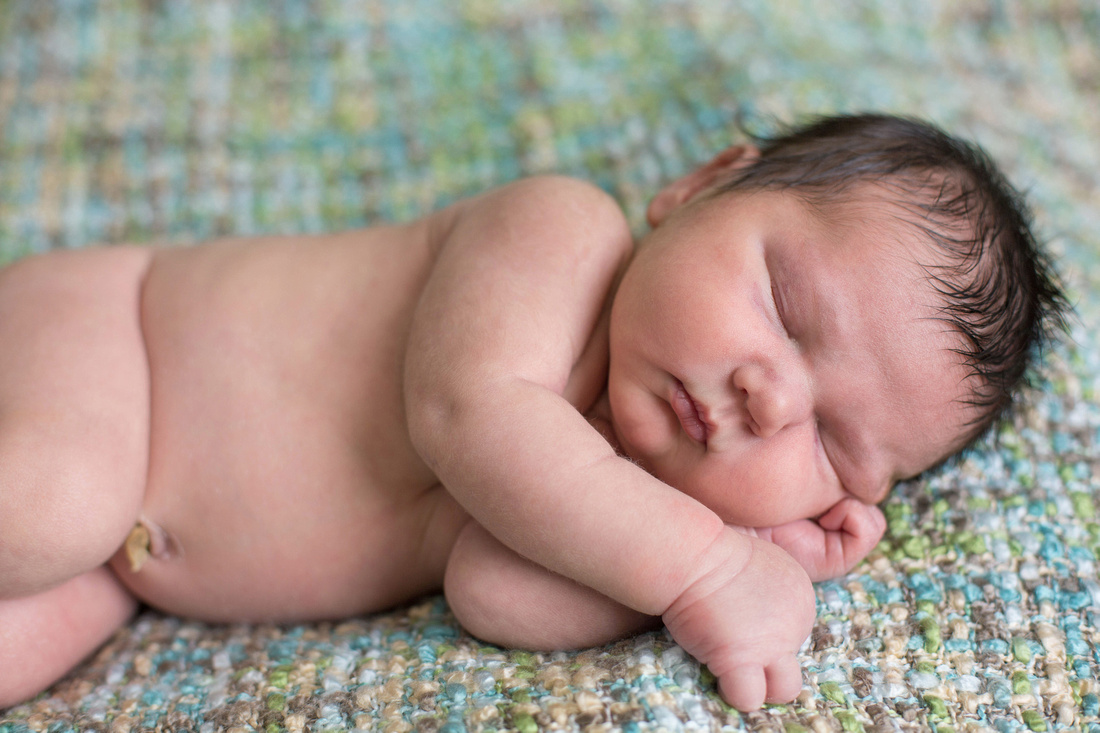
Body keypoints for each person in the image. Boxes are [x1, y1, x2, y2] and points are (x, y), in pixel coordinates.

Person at [0, 113, 1067, 711]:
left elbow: (492, 589)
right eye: (785, 309)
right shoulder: (558, 232)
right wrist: (701, 568)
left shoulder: (607, 499)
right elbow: (467, 414)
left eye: (831, 443)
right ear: (698, 187)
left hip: (128, 572)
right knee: (50, 505)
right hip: (114, 343)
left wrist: (747, 546)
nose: (770, 396)